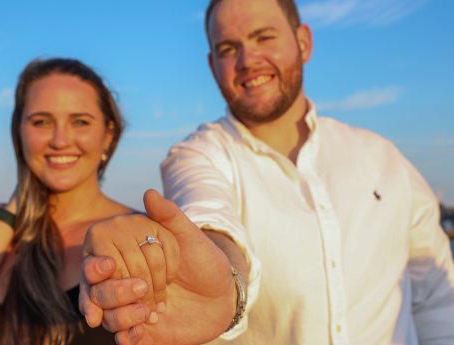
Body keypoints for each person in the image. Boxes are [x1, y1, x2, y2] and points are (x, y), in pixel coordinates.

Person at [81, 0, 454, 344]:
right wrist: (227, 287)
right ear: (212, 66)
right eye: (228, 48)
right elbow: (210, 219)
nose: (247, 58)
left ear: (303, 43)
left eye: (264, 37)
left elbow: (437, 295)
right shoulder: (196, 155)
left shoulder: (383, 157)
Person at [0, 58, 162, 345]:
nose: (60, 140)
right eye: (42, 122)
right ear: (18, 133)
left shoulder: (139, 235)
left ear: (108, 135)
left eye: (80, 122)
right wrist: (13, 212)